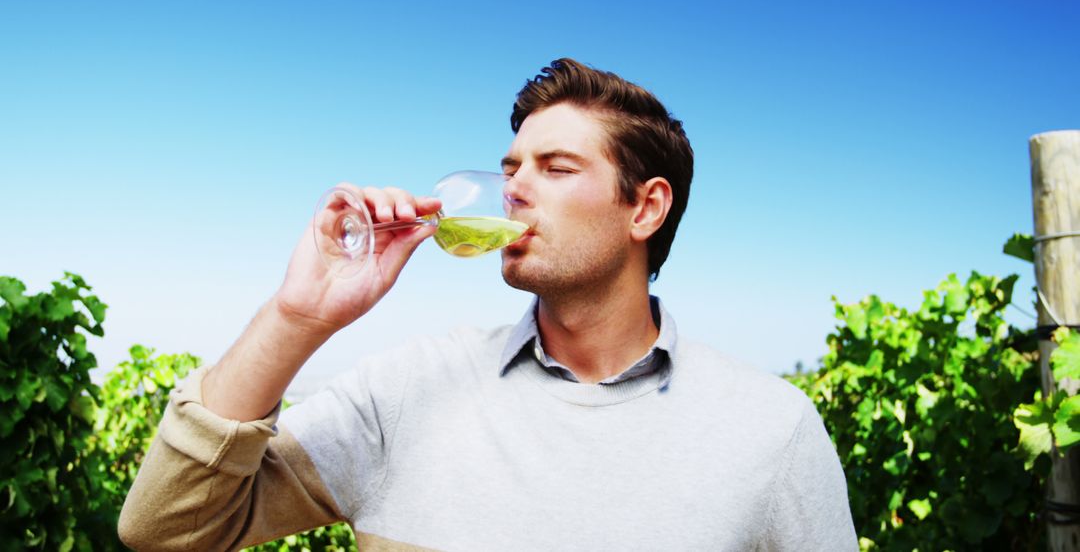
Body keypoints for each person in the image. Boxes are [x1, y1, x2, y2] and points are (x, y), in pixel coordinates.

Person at [119, 58, 858, 551]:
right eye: (510, 168)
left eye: (556, 167)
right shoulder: (405, 389)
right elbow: (164, 530)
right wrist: (297, 316)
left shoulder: (773, 430)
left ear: (646, 209)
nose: (514, 188)